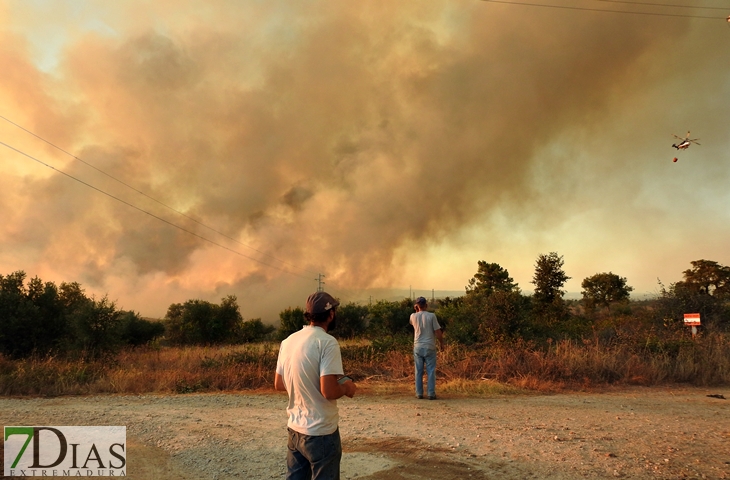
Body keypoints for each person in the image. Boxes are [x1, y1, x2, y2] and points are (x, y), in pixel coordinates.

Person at [274, 291, 357, 480]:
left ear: (309, 315)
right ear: (331, 314)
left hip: (295, 429)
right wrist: (347, 388)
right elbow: (328, 391)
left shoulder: (288, 341)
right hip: (321, 433)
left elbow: (279, 383)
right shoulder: (327, 343)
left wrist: (305, 384)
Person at [410, 296, 444, 400]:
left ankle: (419, 393)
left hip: (418, 346)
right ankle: (431, 393)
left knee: (418, 371)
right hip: (430, 346)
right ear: (426, 305)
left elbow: (413, 321)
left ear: (417, 306)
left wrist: (416, 310)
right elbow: (438, 332)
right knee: (431, 371)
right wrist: (442, 343)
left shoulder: (412, 316)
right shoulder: (432, 316)